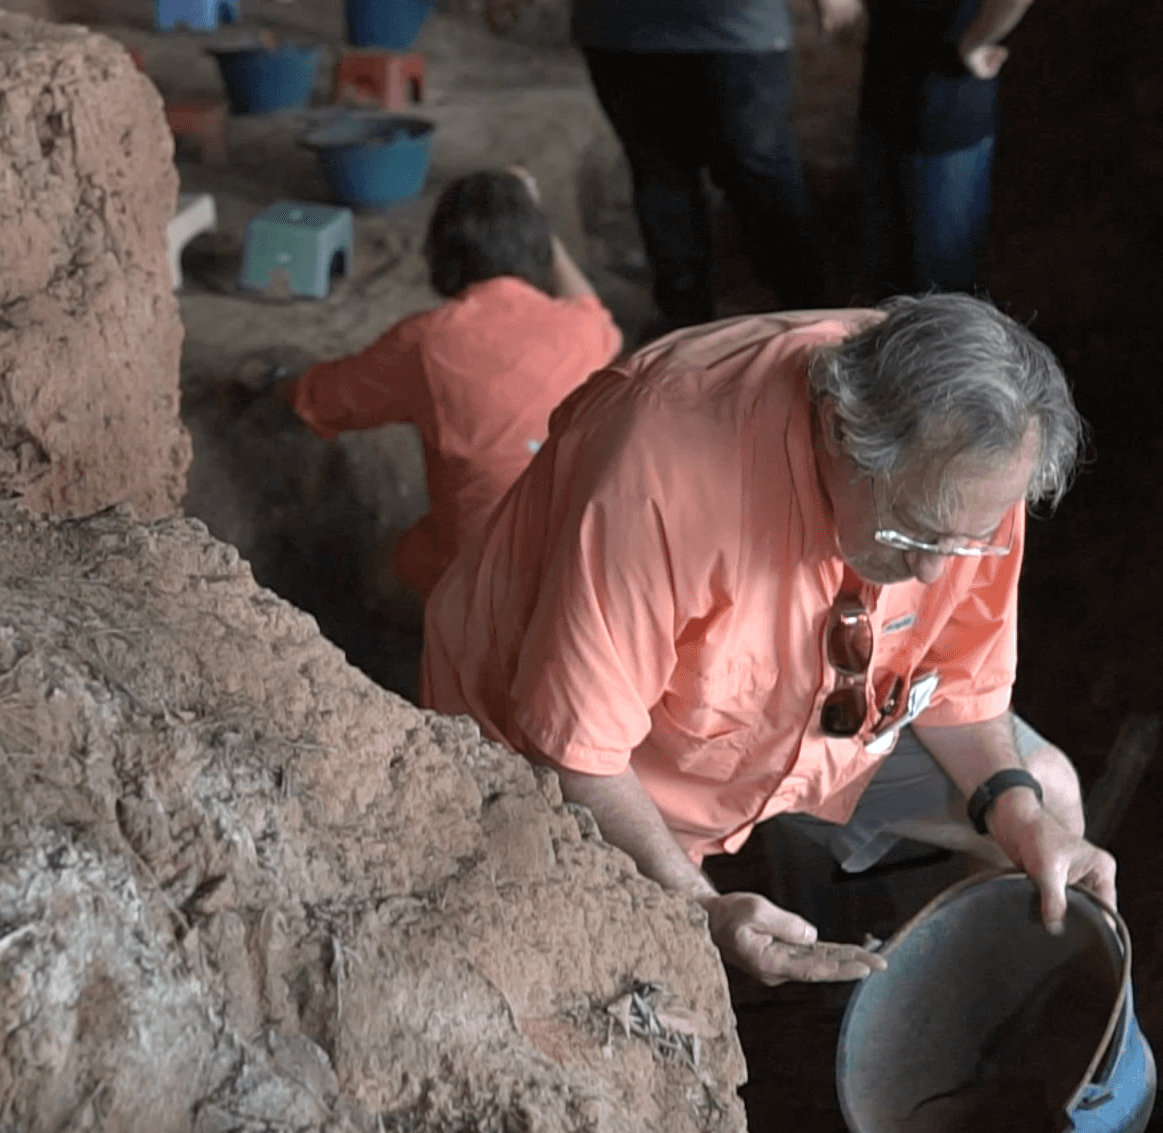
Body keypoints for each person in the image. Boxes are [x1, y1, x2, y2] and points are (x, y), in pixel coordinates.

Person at [421, 293, 1115, 984]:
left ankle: (939, 1017)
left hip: (811, 729)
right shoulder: (662, 476)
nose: (936, 570)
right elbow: (578, 754)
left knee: (1047, 795)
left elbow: (959, 686)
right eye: (913, 532)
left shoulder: (975, 457)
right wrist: (699, 906)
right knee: (628, 988)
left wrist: (1017, 812)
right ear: (839, 430)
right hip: (575, 748)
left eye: (966, 542)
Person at [240, 170, 622, 603]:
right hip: (585, 563)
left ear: (441, 251)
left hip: (488, 578)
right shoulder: (581, 329)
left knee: (382, 572)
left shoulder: (426, 342)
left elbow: (323, 399)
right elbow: (592, 306)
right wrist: (535, 219)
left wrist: (271, 379)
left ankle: (436, 632)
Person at [571, 0, 853, 335]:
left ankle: (815, 316)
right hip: (625, 31)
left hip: (730, 28)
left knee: (755, 176)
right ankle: (685, 328)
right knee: (662, 180)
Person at [853, 0, 1038, 296]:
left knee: (942, 279)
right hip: (882, 94)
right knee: (883, 269)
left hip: (945, 105)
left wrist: (977, 39)